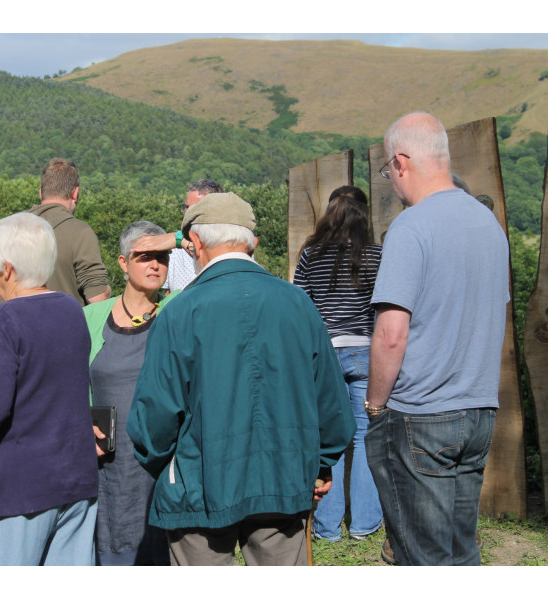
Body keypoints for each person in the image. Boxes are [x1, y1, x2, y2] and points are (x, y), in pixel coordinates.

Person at [127, 193, 356, 567]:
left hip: (199, 484)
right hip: (283, 479)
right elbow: (330, 399)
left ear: (196, 244)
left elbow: (155, 417)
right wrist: (320, 462)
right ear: (254, 244)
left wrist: (170, 468)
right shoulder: (298, 303)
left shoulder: (180, 311)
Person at [365, 112, 510, 567]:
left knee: (420, 554)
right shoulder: (490, 225)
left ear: (402, 161)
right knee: (461, 548)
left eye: (389, 172)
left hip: (421, 414)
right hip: (479, 409)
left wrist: (374, 405)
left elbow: (391, 333)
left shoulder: (412, 225)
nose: (392, 183)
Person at [0, 212, 99, 566]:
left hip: (12, 490)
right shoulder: (72, 310)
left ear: (6, 269)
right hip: (74, 481)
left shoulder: (1, 318)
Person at [84, 222, 179, 566]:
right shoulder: (91, 317)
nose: (154, 264)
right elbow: (68, 385)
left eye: (162, 256)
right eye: (143, 256)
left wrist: (178, 238)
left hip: (162, 467)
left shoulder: (178, 310)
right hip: (106, 466)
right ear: (123, 263)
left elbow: (220, 245)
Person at [293, 186, 384, 543]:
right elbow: (385, 310)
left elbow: (300, 306)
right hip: (366, 353)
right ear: (365, 214)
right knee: (365, 438)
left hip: (324, 354)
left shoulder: (310, 255)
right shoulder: (377, 255)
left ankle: (326, 528)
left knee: (326, 438)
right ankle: (363, 525)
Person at [28, 158, 111, 305]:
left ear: (41, 193)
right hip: (64, 326)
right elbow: (98, 297)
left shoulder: (8, 229)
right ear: (75, 193)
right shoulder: (80, 232)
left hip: (12, 326)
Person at [133, 179, 224, 292]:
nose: (188, 213)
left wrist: (178, 239)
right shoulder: (175, 250)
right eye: (186, 207)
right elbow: (168, 294)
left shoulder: (234, 244)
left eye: (195, 208)